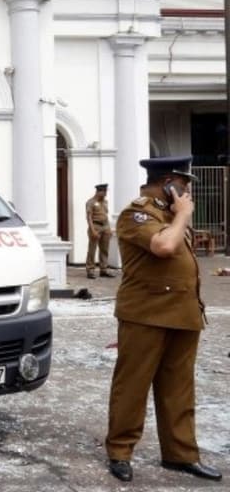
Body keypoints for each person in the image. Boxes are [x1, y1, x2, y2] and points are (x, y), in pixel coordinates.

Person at [105, 156, 222, 483]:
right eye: (184, 187)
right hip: (145, 315)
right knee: (133, 387)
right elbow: (164, 247)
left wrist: (178, 215)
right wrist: (182, 215)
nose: (187, 195)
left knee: (179, 390)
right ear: (169, 183)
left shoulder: (170, 215)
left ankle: (180, 454)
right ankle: (120, 451)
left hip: (182, 314)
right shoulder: (136, 214)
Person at [85, 183, 114, 279]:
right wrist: (93, 230)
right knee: (92, 250)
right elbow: (89, 217)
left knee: (105, 249)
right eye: (104, 192)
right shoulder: (91, 202)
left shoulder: (105, 202)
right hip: (95, 226)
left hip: (105, 227)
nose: (105, 194)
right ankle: (90, 270)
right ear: (98, 191)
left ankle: (104, 269)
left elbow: (106, 215)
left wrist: (109, 229)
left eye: (106, 192)